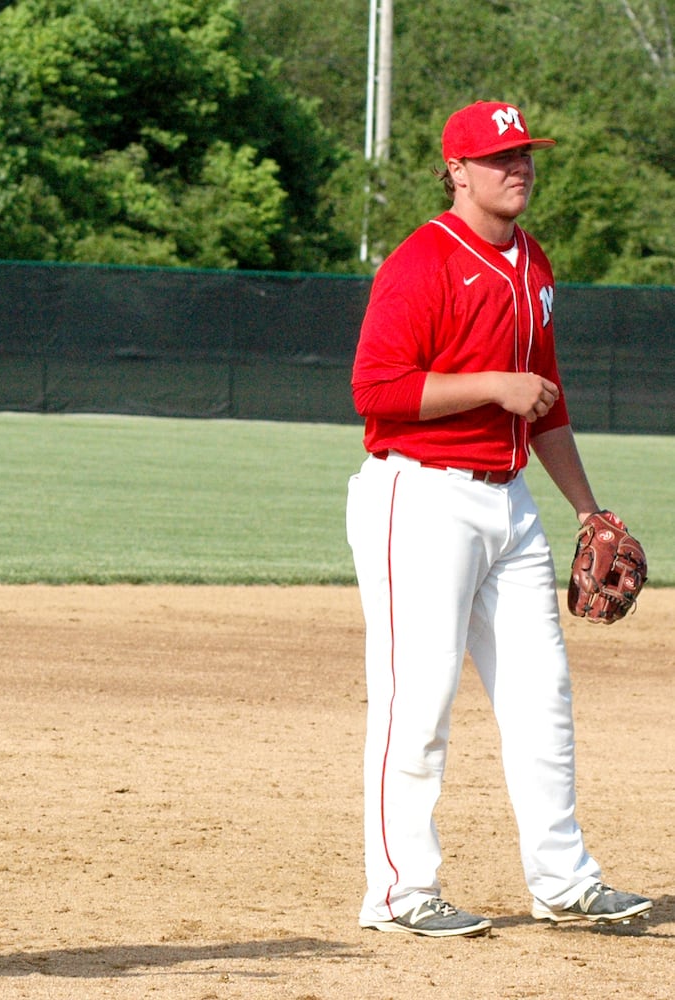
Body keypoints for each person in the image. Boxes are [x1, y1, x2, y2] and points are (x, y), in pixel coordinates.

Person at [346, 100, 652, 938]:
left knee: (541, 695)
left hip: (509, 501)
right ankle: (401, 892)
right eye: (498, 157)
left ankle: (562, 880)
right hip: (420, 494)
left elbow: (546, 403)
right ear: (457, 170)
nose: (518, 168)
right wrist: (490, 385)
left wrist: (589, 508)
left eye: (524, 154)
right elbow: (374, 390)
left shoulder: (534, 264)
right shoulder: (421, 262)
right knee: (420, 701)